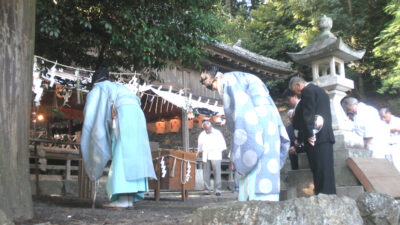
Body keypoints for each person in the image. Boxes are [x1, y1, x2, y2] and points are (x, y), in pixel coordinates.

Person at [200, 68, 289, 201]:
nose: (215, 90)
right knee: (267, 161)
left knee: (253, 158)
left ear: (216, 79)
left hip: (253, 119)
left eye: (212, 87)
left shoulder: (229, 82)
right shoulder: (240, 77)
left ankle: (253, 202)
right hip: (270, 120)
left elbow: (239, 119)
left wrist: (235, 154)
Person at [81, 67, 156, 209]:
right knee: (133, 155)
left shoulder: (99, 88)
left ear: (95, 81)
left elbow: (90, 115)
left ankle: (123, 199)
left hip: (124, 115)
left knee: (122, 154)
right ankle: (128, 199)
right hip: (138, 115)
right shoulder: (117, 87)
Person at [289, 76, 336, 195]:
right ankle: (331, 196)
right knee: (327, 171)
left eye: (296, 91)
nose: (298, 94)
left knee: (319, 170)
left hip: (317, 138)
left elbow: (308, 113)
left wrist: (310, 133)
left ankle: (323, 196)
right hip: (326, 135)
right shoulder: (320, 91)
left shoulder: (307, 91)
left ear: (298, 86)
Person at [197, 120, 227, 196]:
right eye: (205, 129)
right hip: (206, 154)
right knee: (206, 173)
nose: (207, 130)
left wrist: (218, 151)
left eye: (208, 128)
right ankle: (207, 189)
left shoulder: (217, 133)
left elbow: (222, 144)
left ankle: (218, 190)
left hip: (215, 154)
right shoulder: (202, 134)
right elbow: (200, 145)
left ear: (210, 127)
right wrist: (198, 152)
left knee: (217, 172)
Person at [283, 88, 304, 170]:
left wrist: (297, 143)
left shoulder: (301, 106)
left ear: (295, 96)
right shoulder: (289, 128)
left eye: (288, 99)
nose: (288, 102)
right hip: (298, 143)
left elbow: (303, 128)